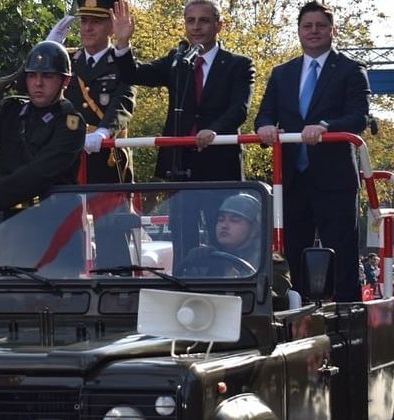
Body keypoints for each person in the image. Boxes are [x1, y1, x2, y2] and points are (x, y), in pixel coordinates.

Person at [112, 0, 254, 258]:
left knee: (222, 236)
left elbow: (239, 109)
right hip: (180, 163)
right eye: (191, 21)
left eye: (204, 20)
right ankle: (184, 290)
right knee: (182, 237)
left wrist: (214, 130)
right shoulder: (177, 60)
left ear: (218, 24)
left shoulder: (239, 64)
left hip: (219, 164)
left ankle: (223, 289)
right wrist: (122, 44)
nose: (196, 27)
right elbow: (134, 74)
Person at [255, 1, 370, 302]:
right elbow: (264, 115)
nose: (313, 31)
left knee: (341, 254)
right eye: (307, 26)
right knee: (293, 253)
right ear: (298, 31)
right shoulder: (282, 74)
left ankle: (348, 322)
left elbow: (358, 116)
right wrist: (266, 128)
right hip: (292, 177)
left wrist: (326, 126)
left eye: (320, 25)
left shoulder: (350, 70)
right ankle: (297, 319)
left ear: (333, 30)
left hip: (334, 180)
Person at [0, 40, 85, 215]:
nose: (38, 83)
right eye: (32, 75)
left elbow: (39, 174)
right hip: (14, 220)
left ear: (65, 81)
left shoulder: (71, 123)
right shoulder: (12, 112)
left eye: (47, 76)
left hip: (55, 222)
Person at [47, 0, 136, 183]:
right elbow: (29, 88)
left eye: (96, 22)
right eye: (84, 21)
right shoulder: (67, 61)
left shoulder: (123, 64)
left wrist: (103, 131)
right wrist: (47, 52)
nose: (87, 28)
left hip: (106, 157)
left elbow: (124, 101)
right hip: (67, 157)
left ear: (112, 26)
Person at [179, 193, 261, 276]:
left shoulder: (266, 263)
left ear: (254, 229)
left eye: (234, 220)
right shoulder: (204, 260)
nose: (224, 225)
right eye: (221, 219)